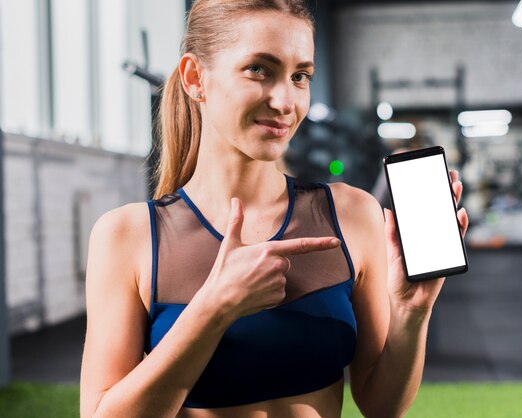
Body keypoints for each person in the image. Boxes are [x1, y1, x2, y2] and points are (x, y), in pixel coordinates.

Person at [79, 1, 469, 417]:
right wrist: (214, 308)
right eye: (259, 70)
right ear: (195, 78)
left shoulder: (353, 214)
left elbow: (380, 404)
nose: (285, 101)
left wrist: (412, 314)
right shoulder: (128, 235)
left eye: (300, 76)